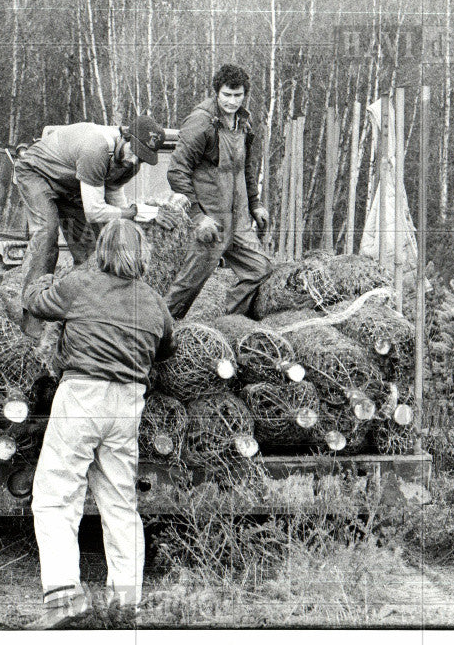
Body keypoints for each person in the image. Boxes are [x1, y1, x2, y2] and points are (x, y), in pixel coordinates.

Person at [23, 218, 176, 629]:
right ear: (142, 255)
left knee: (57, 495)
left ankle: (63, 597)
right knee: (120, 502)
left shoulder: (80, 286)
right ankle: (126, 602)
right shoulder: (154, 301)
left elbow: (37, 301)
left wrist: (41, 273)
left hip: (83, 394)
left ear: (101, 252)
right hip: (128, 403)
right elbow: (167, 347)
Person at [14, 115, 166, 336]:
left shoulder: (131, 165)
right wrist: (137, 212)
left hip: (73, 185)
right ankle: (32, 317)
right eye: (134, 151)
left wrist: (141, 221)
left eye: (142, 158)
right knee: (47, 234)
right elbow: (95, 211)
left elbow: (114, 198)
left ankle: (82, 315)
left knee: (90, 251)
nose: (135, 160)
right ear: (125, 136)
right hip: (38, 174)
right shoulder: (96, 148)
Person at [164, 63, 273, 319]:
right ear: (217, 92)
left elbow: (245, 168)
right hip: (210, 222)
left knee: (260, 269)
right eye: (227, 95)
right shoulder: (201, 122)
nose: (232, 101)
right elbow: (177, 171)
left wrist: (255, 204)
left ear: (245, 94)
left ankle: (225, 324)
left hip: (238, 221)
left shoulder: (243, 123)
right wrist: (197, 217)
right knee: (185, 288)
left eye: (238, 95)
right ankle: (156, 335)